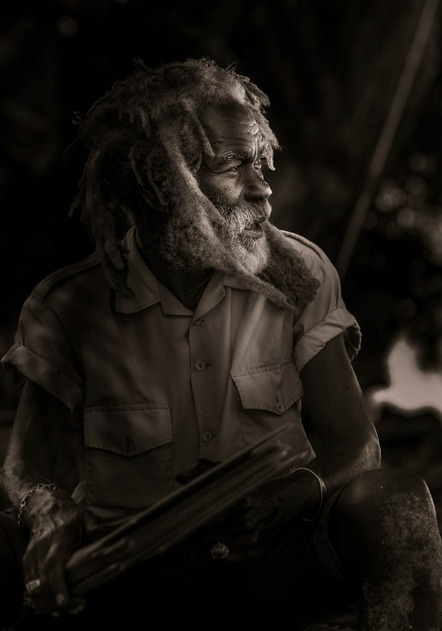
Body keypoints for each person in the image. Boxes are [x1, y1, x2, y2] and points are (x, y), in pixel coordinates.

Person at [0, 57, 441, 629]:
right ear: (158, 182)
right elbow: (25, 467)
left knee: (396, 505)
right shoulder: (68, 306)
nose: (263, 189)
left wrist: (302, 491)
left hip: (273, 563)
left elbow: (356, 443)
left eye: (262, 162)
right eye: (233, 166)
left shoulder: (300, 272)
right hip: (129, 577)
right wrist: (44, 508)